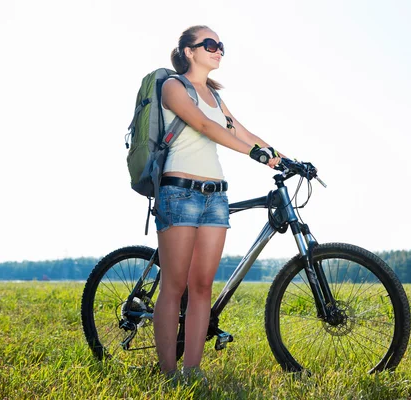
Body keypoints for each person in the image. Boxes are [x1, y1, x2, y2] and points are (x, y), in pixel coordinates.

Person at [152, 25, 283, 383]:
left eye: (221, 45)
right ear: (189, 51)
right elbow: (206, 129)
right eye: (209, 44)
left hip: (216, 197)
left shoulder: (215, 97)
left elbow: (243, 132)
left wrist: (285, 159)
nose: (218, 49)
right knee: (173, 287)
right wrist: (254, 154)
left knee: (201, 287)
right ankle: (168, 375)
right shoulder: (173, 87)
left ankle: (192, 371)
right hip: (179, 191)